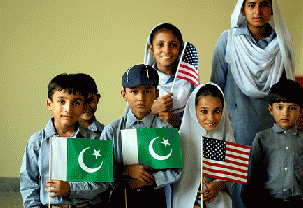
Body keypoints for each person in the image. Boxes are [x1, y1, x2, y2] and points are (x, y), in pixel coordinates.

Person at [210, 0, 296, 207]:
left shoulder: (283, 44)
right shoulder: (227, 41)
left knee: (267, 190)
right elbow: (215, 87)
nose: (258, 11)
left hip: (271, 131)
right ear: (242, 9)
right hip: (234, 130)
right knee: (234, 190)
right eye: (252, 5)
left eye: (264, 5)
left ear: (271, 9)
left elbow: (287, 95)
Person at [20, 73, 109, 208]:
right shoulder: (37, 142)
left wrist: (70, 189)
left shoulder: (95, 140)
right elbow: (29, 186)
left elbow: (102, 183)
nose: (68, 109)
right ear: (49, 104)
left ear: (84, 107)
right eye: (62, 101)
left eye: (76, 103)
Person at [101, 64, 181, 208]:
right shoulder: (112, 130)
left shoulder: (165, 129)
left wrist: (149, 179)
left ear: (156, 94)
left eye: (147, 91)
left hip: (154, 198)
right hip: (121, 197)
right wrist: (126, 171)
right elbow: (101, 168)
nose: (141, 98)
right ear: (123, 94)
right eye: (134, 92)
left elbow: (175, 169)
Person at [241, 79, 303, 208]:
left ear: (300, 111)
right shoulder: (262, 139)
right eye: (279, 107)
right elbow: (252, 180)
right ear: (270, 109)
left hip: (296, 203)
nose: (285, 113)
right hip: (267, 203)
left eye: (292, 108)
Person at [173, 83, 235, 208]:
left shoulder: (227, 139)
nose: (211, 118)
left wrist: (219, 184)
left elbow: (232, 174)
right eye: (204, 111)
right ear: (193, 109)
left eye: (217, 111)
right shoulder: (179, 140)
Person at [145, 23, 197, 128]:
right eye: (160, 44)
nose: (167, 50)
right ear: (151, 48)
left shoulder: (189, 82)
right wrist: (152, 110)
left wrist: (177, 122)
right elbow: (129, 123)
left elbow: (199, 122)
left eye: (172, 45)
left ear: (180, 50)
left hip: (182, 142)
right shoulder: (142, 82)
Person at [78, 73, 104, 138]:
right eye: (80, 102)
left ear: (97, 99)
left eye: (90, 100)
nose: (86, 107)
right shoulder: (61, 133)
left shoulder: (106, 133)